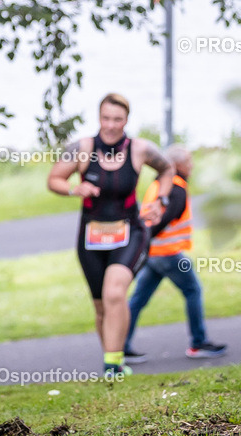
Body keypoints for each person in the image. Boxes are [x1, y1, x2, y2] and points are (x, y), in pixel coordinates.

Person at [48, 93, 175, 378]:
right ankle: (114, 360)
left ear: (126, 120)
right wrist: (73, 189)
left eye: (117, 119)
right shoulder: (82, 148)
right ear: (99, 118)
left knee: (114, 292)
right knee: (101, 306)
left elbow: (168, 169)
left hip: (130, 231)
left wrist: (161, 200)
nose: (111, 125)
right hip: (91, 236)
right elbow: (54, 179)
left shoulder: (140, 149)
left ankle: (112, 365)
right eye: (106, 118)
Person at [124, 146, 227, 362]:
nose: (192, 165)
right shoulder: (176, 188)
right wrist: (146, 237)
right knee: (193, 290)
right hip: (168, 253)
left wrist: (142, 243)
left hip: (153, 253)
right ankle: (198, 343)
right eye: (188, 161)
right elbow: (161, 221)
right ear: (176, 165)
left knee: (138, 300)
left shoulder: (157, 184)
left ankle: (120, 346)